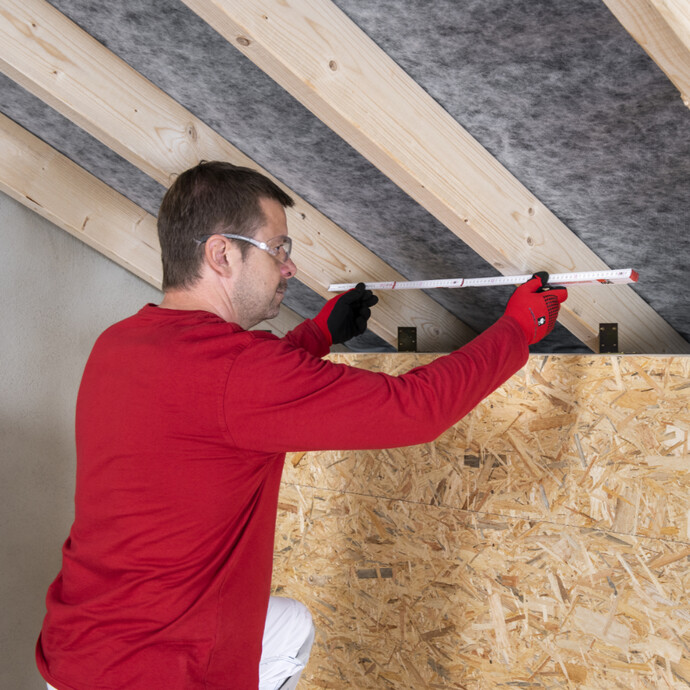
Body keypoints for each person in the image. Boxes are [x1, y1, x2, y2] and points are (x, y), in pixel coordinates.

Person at [36, 161, 567, 690]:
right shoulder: (235, 371)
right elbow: (414, 409)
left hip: (80, 652)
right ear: (222, 254)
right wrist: (516, 331)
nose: (288, 268)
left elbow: (222, 403)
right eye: (278, 249)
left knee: (288, 626)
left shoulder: (122, 343)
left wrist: (318, 334)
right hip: (159, 676)